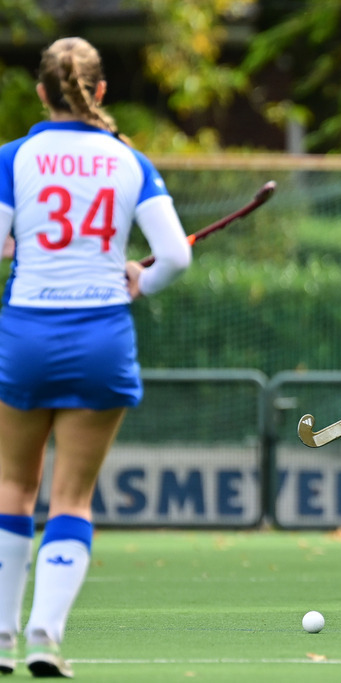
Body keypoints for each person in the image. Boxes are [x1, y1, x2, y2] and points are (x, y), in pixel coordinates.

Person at [0, 37, 191, 677]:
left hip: (25, 335)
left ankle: (0, 633)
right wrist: (140, 279)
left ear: (41, 92)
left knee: (12, 488)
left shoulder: (13, 157)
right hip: (100, 337)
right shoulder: (128, 160)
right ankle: (44, 638)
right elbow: (177, 257)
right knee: (72, 497)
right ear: (100, 92)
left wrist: (17, 247)